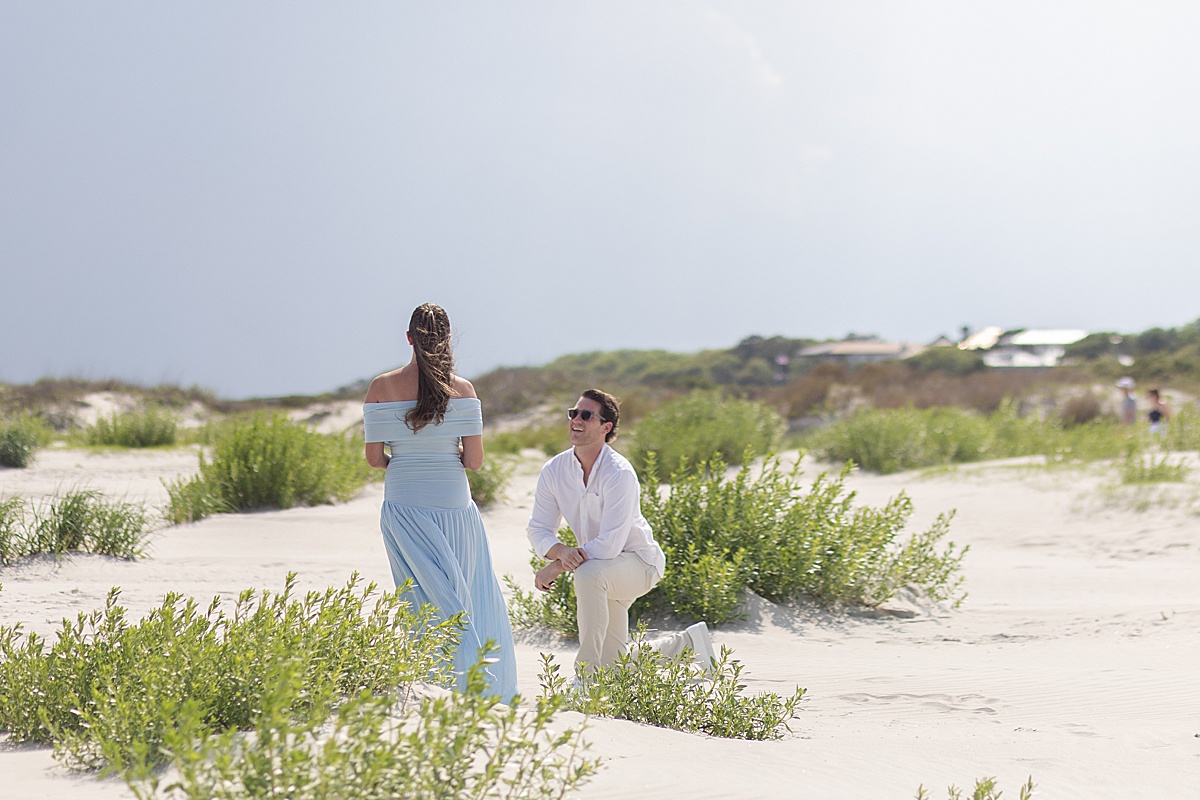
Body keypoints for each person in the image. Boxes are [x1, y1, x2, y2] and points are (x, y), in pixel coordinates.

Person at [363, 302, 517, 701]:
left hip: (404, 503)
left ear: (409, 339)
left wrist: (407, 458)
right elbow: (475, 461)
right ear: (447, 340)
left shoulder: (382, 387)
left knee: (419, 597)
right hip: (454, 504)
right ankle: (477, 683)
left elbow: (375, 459)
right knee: (465, 590)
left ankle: (439, 681)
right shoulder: (463, 390)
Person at [527, 388, 716, 676]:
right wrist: (561, 551)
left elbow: (609, 546)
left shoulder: (619, 473)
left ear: (606, 427)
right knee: (615, 668)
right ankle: (688, 644)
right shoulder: (554, 470)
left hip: (639, 563)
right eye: (573, 413)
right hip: (600, 569)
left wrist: (556, 566)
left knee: (588, 574)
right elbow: (538, 529)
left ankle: (585, 677)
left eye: (586, 415)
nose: (576, 419)